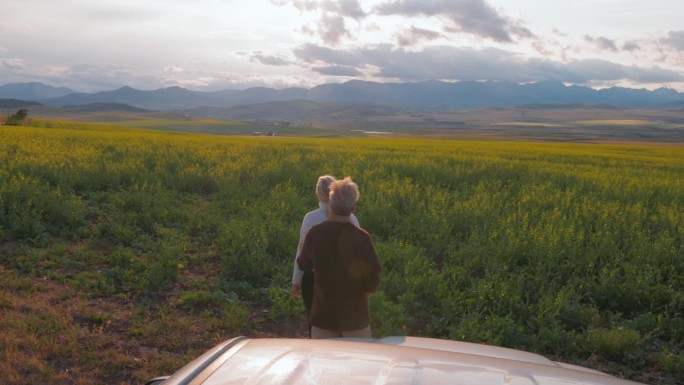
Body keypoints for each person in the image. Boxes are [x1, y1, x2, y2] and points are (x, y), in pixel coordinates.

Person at [297, 177, 381, 339]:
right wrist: (366, 292)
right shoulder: (362, 237)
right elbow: (374, 275)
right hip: (356, 319)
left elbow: (303, 264)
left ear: (330, 204)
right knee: (357, 362)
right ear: (353, 208)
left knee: (322, 363)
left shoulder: (315, 233)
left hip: (323, 317)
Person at [291, 176, 360, 321]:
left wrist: (296, 281)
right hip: (344, 278)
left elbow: (302, 251)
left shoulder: (310, 218)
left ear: (318, 192)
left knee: (315, 320)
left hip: (314, 278)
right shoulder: (352, 218)